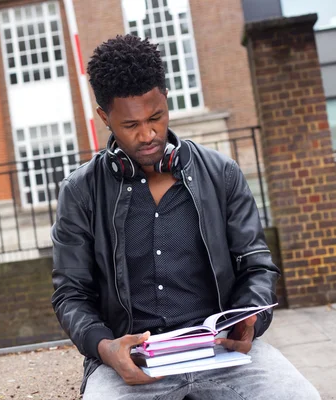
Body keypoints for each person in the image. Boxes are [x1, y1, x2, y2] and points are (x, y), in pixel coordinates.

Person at [51, 34, 320, 400]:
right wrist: (104, 348)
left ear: (166, 99)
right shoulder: (81, 192)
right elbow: (71, 294)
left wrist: (250, 322)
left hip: (224, 353)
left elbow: (257, 266)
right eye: (130, 125)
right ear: (105, 118)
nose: (147, 134)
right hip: (130, 364)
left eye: (156, 117)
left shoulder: (221, 174)